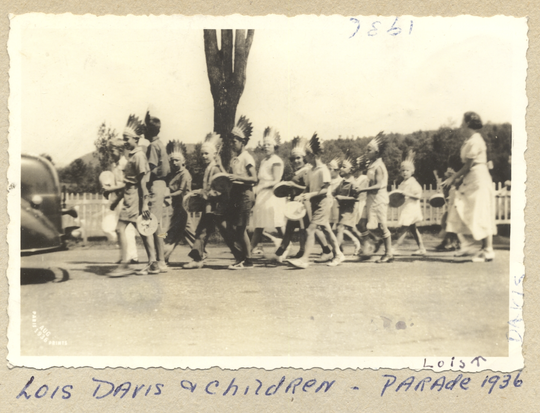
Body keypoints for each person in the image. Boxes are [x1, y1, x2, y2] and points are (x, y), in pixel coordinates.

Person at [442, 111, 496, 262]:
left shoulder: (475, 141)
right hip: (472, 178)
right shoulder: (470, 140)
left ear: (467, 123)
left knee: (480, 212)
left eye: (462, 122)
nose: (461, 125)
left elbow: (468, 166)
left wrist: (453, 177)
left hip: (478, 179)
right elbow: (466, 168)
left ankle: (488, 250)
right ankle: (474, 247)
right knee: (463, 210)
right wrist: (458, 179)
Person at [184, 132, 242, 269]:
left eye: (206, 154)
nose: (204, 156)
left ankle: (241, 256)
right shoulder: (208, 168)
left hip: (217, 208)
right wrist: (201, 192)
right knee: (201, 231)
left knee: (226, 232)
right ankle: (198, 258)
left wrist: (206, 194)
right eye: (202, 154)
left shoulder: (215, 169)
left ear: (214, 155)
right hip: (209, 207)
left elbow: (220, 189)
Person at [287, 133, 345, 269]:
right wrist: (302, 195)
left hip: (323, 202)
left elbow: (325, 189)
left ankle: (304, 259)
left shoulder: (323, 170)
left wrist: (310, 195)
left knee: (310, 229)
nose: (306, 157)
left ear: (314, 155)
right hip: (315, 203)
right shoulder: (311, 170)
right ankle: (338, 254)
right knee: (327, 230)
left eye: (307, 154)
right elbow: (308, 188)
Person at [108, 114, 153, 277]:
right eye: (124, 138)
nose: (125, 141)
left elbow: (143, 183)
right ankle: (152, 263)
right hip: (129, 197)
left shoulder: (139, 157)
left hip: (134, 199)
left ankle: (125, 264)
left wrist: (145, 204)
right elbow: (128, 182)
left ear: (135, 139)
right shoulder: (132, 156)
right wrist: (114, 196)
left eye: (127, 138)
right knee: (142, 231)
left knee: (122, 229)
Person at [356, 132, 393, 263]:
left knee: (382, 227)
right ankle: (371, 244)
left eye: (369, 150)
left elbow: (378, 186)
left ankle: (389, 253)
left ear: (377, 152)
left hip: (379, 200)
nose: (366, 152)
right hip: (370, 198)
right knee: (361, 223)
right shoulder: (371, 165)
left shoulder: (379, 167)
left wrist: (362, 189)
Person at [226, 116, 258, 269]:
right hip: (236, 194)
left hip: (246, 194)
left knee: (240, 228)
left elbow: (254, 178)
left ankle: (248, 260)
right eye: (231, 141)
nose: (232, 144)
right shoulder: (234, 159)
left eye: (235, 141)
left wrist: (237, 177)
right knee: (232, 227)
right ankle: (242, 257)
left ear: (242, 142)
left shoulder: (247, 157)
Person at [100, 138, 139, 264]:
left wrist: (112, 193)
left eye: (112, 151)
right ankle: (129, 255)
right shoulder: (115, 165)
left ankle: (131, 256)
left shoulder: (124, 164)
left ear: (120, 150)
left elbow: (127, 185)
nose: (111, 153)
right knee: (114, 228)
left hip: (125, 198)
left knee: (125, 229)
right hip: (118, 198)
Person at [140, 110, 170, 274]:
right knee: (156, 224)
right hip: (162, 185)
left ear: (149, 131)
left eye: (145, 128)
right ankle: (161, 260)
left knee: (153, 224)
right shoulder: (161, 144)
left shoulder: (152, 146)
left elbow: (150, 170)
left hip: (155, 185)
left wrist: (144, 189)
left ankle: (159, 261)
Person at [250, 127, 286, 255]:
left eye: (269, 144)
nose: (266, 147)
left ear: (274, 146)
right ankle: (249, 250)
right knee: (259, 224)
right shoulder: (264, 160)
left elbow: (276, 180)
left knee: (277, 223)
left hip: (272, 195)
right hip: (262, 195)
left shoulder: (276, 161)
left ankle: (286, 244)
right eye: (264, 144)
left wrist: (262, 187)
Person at [163, 140, 196, 262]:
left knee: (172, 233)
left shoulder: (185, 174)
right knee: (188, 233)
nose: (174, 163)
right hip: (177, 207)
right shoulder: (173, 174)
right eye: (172, 160)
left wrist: (166, 195)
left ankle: (163, 256)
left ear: (183, 161)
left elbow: (181, 191)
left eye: (177, 160)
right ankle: (201, 253)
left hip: (183, 207)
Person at [393, 151, 426, 255]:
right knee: (412, 228)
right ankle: (421, 248)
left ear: (412, 171)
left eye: (407, 170)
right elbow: (399, 196)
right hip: (406, 207)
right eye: (403, 170)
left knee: (404, 228)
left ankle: (394, 247)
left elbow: (418, 196)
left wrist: (406, 193)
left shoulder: (413, 182)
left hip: (412, 208)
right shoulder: (403, 183)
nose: (405, 172)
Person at [331, 158, 364, 260]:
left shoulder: (353, 183)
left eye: (344, 167)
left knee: (340, 228)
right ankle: (366, 243)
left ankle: (337, 254)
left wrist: (343, 198)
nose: (341, 168)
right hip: (342, 209)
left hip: (349, 210)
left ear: (351, 169)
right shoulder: (342, 182)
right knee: (352, 229)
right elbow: (333, 193)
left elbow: (357, 198)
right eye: (341, 166)